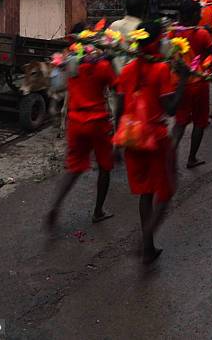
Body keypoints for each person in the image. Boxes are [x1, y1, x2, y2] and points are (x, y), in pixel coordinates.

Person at [116, 20, 189, 264]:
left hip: (130, 138)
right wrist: (184, 81)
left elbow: (118, 107)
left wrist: (117, 142)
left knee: (145, 193)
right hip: (155, 139)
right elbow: (170, 108)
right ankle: (144, 239)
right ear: (158, 41)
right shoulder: (160, 70)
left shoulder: (127, 69)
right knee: (167, 192)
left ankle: (148, 247)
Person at [46, 37, 117, 230]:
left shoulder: (69, 66)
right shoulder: (102, 66)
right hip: (98, 124)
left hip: (75, 123)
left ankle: (55, 205)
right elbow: (117, 87)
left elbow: (58, 86)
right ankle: (98, 211)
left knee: (74, 167)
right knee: (105, 167)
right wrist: (109, 59)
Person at [170, 0, 212, 168]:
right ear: (192, 16)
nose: (200, 16)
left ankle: (170, 157)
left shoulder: (172, 33)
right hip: (198, 83)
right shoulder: (201, 34)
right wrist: (209, 67)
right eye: (198, 14)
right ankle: (191, 158)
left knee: (180, 121)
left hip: (178, 83)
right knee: (199, 121)